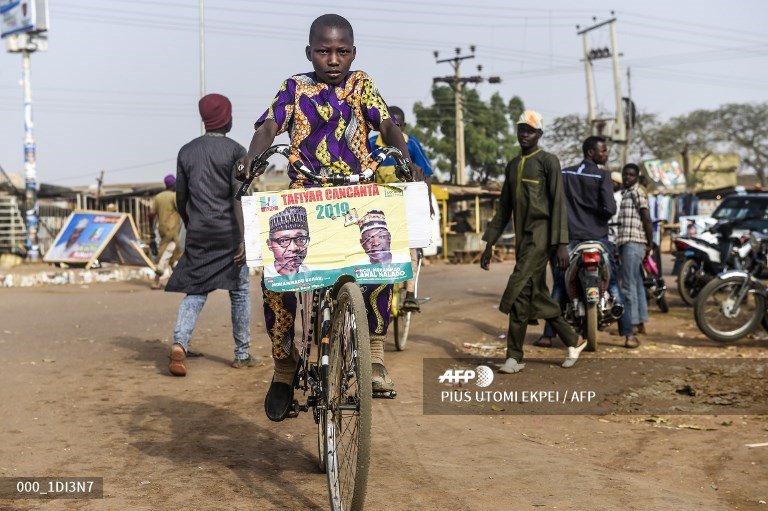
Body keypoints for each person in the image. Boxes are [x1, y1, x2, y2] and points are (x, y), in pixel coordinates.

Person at [236, 14, 426, 421]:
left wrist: (403, 155)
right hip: (305, 194)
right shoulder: (295, 87)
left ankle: (374, 353)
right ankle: (284, 365)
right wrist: (252, 155)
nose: (333, 59)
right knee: (277, 276)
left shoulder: (362, 84)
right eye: (324, 51)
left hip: (358, 192)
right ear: (310, 52)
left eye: (342, 51)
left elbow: (387, 124)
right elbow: (269, 125)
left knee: (381, 260)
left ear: (353, 53)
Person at [480, 110, 587, 373]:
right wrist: (489, 243)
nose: (524, 134)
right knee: (531, 295)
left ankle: (514, 355)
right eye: (521, 129)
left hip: (542, 235)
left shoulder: (548, 161)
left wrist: (561, 244)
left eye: (530, 130)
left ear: (539, 134)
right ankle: (571, 340)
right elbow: (504, 208)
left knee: (517, 285)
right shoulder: (512, 165)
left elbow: (558, 202)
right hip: (522, 238)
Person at [165, 93, 259, 376]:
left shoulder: (187, 151)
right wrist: (243, 238)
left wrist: (190, 223)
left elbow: (181, 197)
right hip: (230, 233)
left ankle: (180, 343)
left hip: (200, 232)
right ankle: (242, 354)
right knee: (239, 291)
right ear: (225, 118)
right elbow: (238, 195)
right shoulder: (236, 150)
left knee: (196, 289)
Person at [537, 136, 639, 349]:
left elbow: (555, 204)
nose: (606, 154)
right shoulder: (603, 175)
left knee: (560, 285)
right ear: (591, 152)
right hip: (597, 238)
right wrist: (595, 212)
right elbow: (610, 209)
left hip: (569, 239)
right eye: (603, 150)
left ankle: (547, 335)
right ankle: (629, 335)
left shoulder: (565, 174)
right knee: (613, 284)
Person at [369, 106, 433, 312]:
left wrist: (427, 203)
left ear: (403, 126)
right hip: (379, 206)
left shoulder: (411, 144)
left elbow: (425, 174)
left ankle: (411, 294)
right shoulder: (371, 145)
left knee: (411, 246)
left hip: (407, 206)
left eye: (398, 126)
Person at [617, 163, 655, 337]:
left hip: (633, 243)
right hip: (629, 242)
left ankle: (631, 323)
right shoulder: (626, 193)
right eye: (625, 174)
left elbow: (646, 218)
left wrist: (650, 243)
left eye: (631, 175)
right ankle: (640, 321)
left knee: (628, 285)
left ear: (637, 177)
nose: (627, 178)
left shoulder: (637, 192)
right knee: (637, 283)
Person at [149, 174, 183, 289]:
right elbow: (183, 210)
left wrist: (151, 230)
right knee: (167, 253)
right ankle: (156, 280)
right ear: (173, 184)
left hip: (162, 230)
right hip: (172, 231)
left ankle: (178, 281)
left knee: (173, 256)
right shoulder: (174, 196)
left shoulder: (158, 197)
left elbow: (151, 215)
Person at [263, 206, 314, 277]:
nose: (293, 248)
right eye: (284, 240)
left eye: (300, 239)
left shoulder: (317, 275)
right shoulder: (263, 277)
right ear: (270, 245)